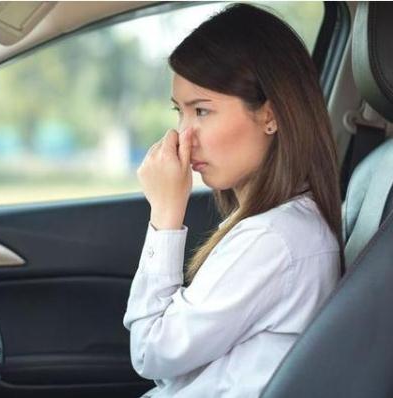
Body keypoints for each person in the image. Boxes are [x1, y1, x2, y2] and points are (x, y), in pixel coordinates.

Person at [123, 3, 343, 397]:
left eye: (202, 111)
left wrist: (165, 218)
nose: (184, 137)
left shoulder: (273, 239)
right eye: (180, 113)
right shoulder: (272, 224)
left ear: (270, 116)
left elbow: (150, 353)